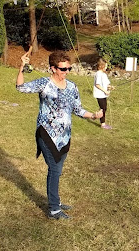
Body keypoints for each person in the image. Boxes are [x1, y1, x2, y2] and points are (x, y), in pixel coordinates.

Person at [16, 49, 102, 220]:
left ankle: (55, 200)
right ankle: (54, 209)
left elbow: (78, 109)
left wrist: (93, 115)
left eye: (68, 68)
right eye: (63, 69)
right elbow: (21, 88)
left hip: (64, 136)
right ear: (53, 68)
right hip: (46, 133)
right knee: (54, 168)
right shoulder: (44, 84)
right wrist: (21, 67)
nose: (66, 72)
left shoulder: (72, 87)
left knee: (58, 170)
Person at [93, 58, 113, 130]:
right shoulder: (98, 74)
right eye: (105, 66)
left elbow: (105, 84)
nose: (106, 67)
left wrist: (110, 87)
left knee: (104, 108)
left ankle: (96, 116)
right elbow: (97, 85)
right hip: (99, 94)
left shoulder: (103, 74)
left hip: (103, 94)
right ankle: (102, 123)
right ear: (101, 66)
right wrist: (105, 91)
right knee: (103, 108)